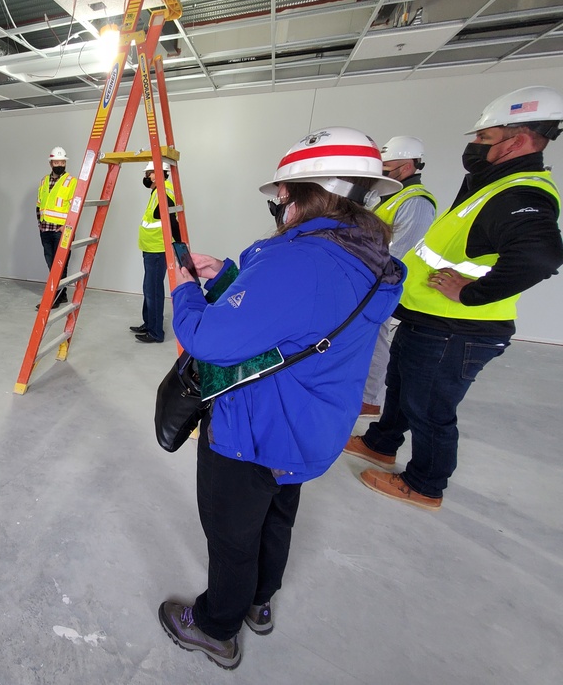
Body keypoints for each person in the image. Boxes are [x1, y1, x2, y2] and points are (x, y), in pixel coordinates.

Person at [158, 128, 404, 670]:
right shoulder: (368, 256)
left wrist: (181, 287)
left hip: (255, 431)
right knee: (277, 518)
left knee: (232, 533)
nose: (280, 205)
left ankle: (216, 627)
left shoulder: (300, 260)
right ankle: (259, 602)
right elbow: (290, 319)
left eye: (284, 195)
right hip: (309, 429)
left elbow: (209, 340)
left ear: (308, 193)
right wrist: (225, 276)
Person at [345, 86, 563, 511]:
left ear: (516, 141)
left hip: (458, 329)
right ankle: (381, 443)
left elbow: (540, 254)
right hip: (427, 319)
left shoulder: (520, 193)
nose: (474, 146)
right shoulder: (489, 186)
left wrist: (472, 293)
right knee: (403, 387)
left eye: (483, 138)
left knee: (430, 408)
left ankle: (425, 483)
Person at [359, 137, 437, 416]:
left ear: (407, 167)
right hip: (370, 279)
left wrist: (375, 281)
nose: (383, 172)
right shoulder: (389, 197)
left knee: (376, 337)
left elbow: (402, 251)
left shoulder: (416, 201)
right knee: (365, 336)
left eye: (388, 167)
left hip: (385, 283)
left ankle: (368, 399)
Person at [130, 160, 180, 343]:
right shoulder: (157, 192)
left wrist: (180, 242)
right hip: (151, 248)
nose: (146, 176)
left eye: (149, 173)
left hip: (158, 250)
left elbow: (172, 220)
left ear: (160, 173)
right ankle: (149, 323)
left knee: (154, 291)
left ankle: (156, 332)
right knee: (149, 288)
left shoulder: (163, 193)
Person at [36, 145, 76, 309]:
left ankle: (55, 298)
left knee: (60, 264)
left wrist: (67, 226)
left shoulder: (72, 182)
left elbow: (76, 207)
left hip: (62, 231)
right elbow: (39, 204)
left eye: (62, 161)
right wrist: (39, 223)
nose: (59, 164)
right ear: (51, 163)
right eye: (56, 161)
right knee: (51, 263)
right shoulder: (44, 181)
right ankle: (63, 294)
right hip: (45, 229)